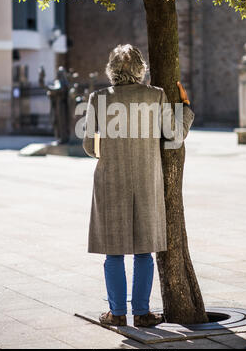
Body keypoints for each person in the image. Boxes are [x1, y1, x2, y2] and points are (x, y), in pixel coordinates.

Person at [82, 44, 194, 327]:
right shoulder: (155, 95)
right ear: (140, 68)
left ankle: (117, 313)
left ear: (112, 70)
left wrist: (106, 150)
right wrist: (186, 108)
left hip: (110, 180)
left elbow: (87, 145)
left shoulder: (98, 98)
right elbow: (174, 137)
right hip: (147, 178)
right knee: (145, 250)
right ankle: (142, 313)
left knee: (113, 250)